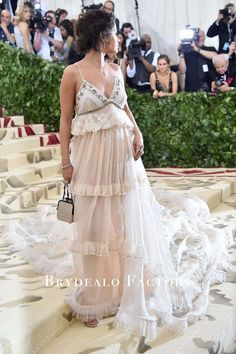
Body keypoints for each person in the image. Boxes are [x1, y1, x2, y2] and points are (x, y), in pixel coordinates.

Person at [3, 10, 232, 340]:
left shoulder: (115, 68)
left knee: (124, 220)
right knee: (95, 224)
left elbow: (124, 106)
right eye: (114, 33)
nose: (118, 39)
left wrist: (138, 132)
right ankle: (96, 297)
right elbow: (65, 121)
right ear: (101, 36)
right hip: (91, 160)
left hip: (124, 159)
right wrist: (65, 162)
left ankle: (126, 286)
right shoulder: (72, 73)